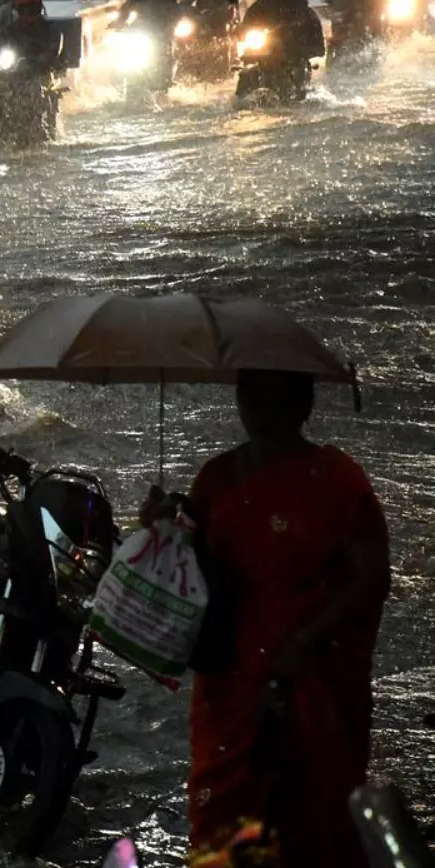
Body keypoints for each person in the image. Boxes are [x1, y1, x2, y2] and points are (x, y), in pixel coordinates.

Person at [139, 369, 390, 868]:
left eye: (275, 398)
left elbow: (370, 578)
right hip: (231, 680)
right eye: (250, 396)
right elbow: (187, 570)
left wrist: (306, 642)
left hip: (309, 676)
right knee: (222, 814)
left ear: (303, 405)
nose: (261, 410)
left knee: (314, 814)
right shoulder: (217, 478)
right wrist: (159, 524)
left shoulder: (338, 480)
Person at [241, 0, 324, 62]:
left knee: (296, 50)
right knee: (250, 54)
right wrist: (244, 28)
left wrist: (289, 25)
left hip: (294, 37)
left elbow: (300, 16)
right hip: (270, 37)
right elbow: (253, 12)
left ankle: (298, 64)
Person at [327, 0, 391, 49]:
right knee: (341, 36)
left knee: (379, 37)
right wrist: (334, 0)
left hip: (370, 13)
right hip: (360, 12)